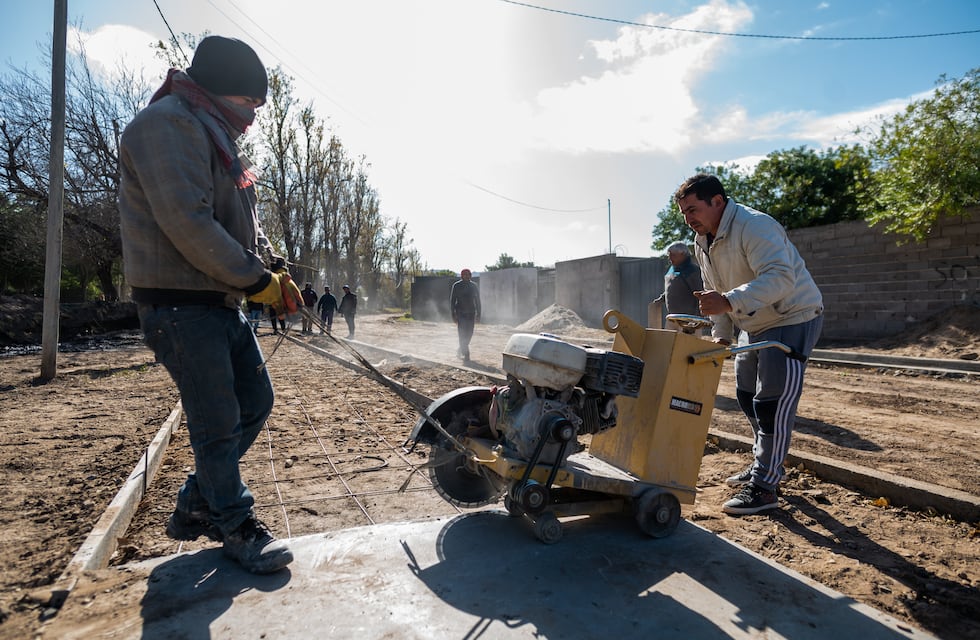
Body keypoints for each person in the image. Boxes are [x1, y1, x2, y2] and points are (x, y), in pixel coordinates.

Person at [117, 35, 293, 573]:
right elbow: (188, 224)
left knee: (253, 401)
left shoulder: (213, 131)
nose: (252, 117)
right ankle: (233, 523)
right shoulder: (166, 125)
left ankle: (198, 500)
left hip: (217, 298)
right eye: (248, 104)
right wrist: (256, 279)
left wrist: (271, 268)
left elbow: (237, 221)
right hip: (178, 304)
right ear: (219, 90)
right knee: (215, 418)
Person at [674, 173, 823, 516]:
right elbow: (713, 295)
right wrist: (722, 332)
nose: (688, 218)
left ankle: (766, 485)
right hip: (752, 322)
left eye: (693, 209)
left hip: (792, 317)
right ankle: (764, 464)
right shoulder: (702, 242)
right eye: (684, 213)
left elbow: (780, 278)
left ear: (718, 201)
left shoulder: (755, 226)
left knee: (772, 402)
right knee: (746, 394)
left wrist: (726, 302)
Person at [652, 241, 703, 319]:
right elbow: (671, 289)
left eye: (672, 255)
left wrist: (696, 318)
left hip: (689, 319)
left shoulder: (692, 271)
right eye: (669, 255)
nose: (670, 258)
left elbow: (700, 294)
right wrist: (661, 299)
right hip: (672, 317)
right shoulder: (672, 270)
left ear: (682, 254)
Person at [450, 268, 481, 363]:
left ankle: (461, 348)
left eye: (468, 274)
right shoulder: (456, 285)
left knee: (469, 333)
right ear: (461, 275)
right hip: (460, 313)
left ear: (470, 276)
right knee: (462, 334)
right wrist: (453, 314)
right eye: (465, 274)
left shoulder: (474, 286)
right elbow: (452, 301)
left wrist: (479, 314)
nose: (467, 276)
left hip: (471, 313)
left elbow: (478, 301)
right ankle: (466, 354)